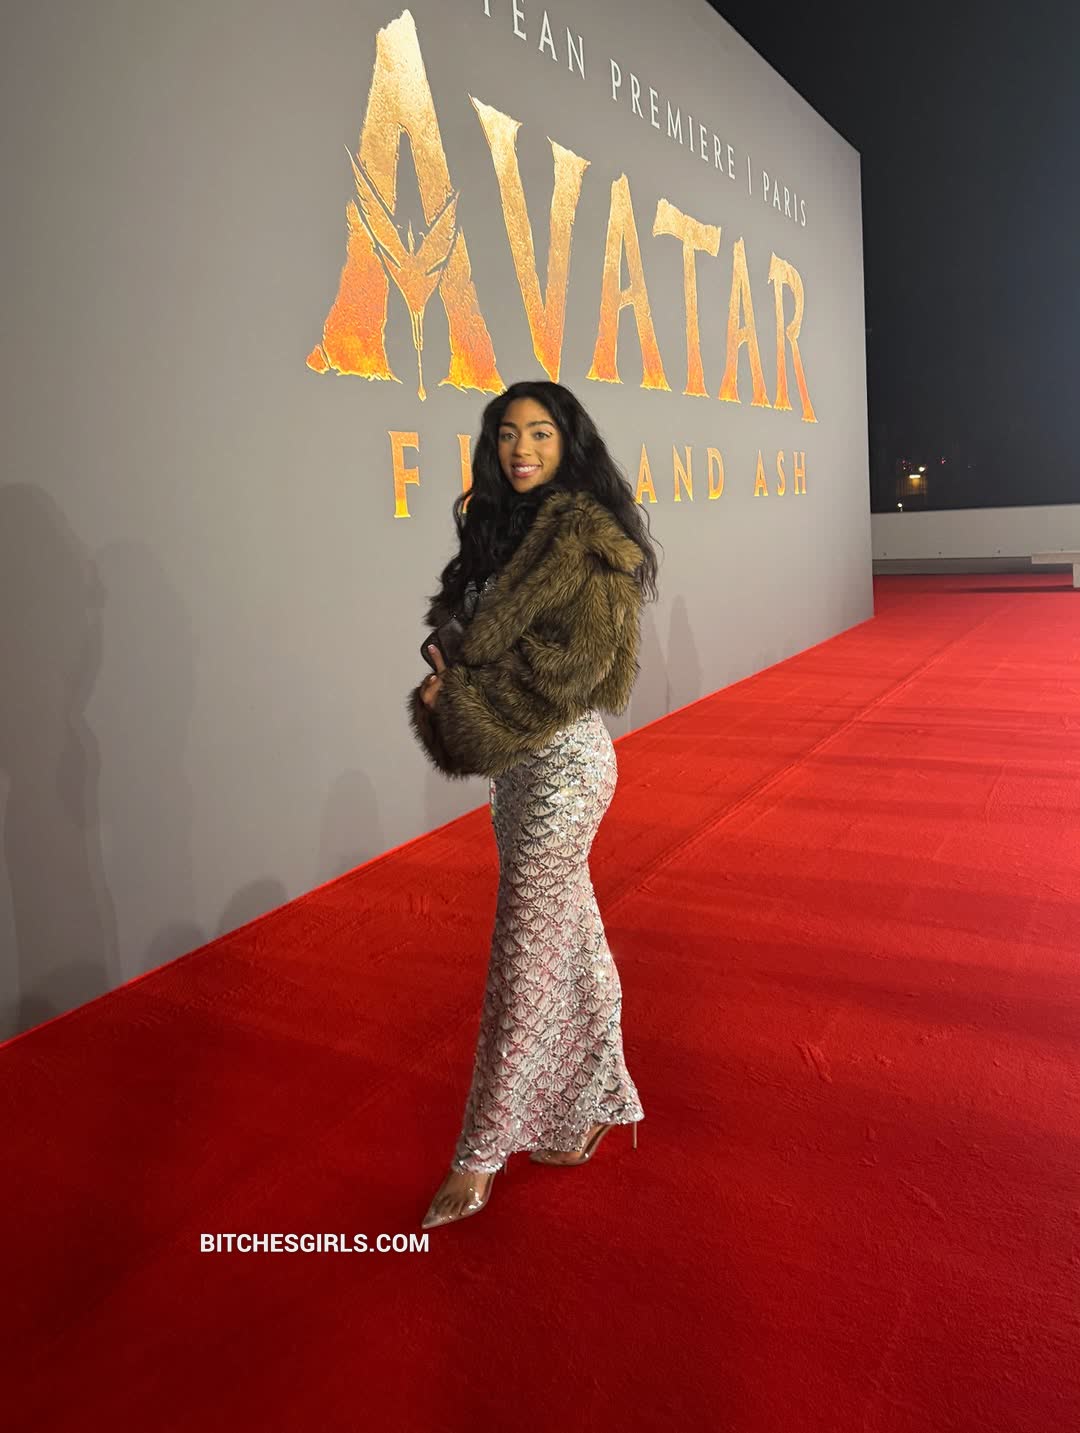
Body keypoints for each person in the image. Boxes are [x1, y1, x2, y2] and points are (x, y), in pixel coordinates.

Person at [406, 380, 660, 1230]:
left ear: (568, 443)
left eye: (541, 434)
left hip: (564, 768)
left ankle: (479, 1152)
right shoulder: (498, 527)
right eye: (509, 434)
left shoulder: (589, 542)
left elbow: (569, 674)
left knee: (522, 952)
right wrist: (448, 673)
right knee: (572, 935)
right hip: (515, 774)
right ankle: (599, 1100)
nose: (522, 449)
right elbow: (479, 638)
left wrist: (463, 699)